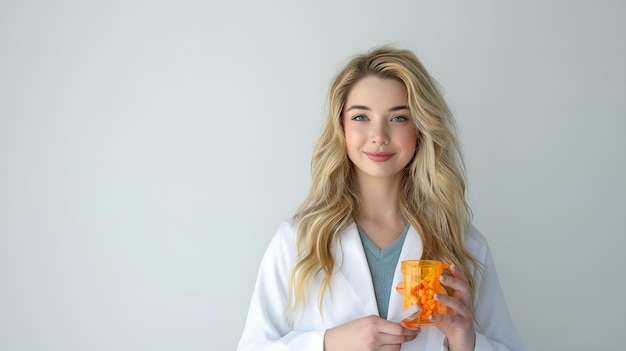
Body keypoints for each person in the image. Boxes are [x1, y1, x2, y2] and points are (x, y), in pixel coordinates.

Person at [237, 46, 523, 351]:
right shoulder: (297, 241)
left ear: (421, 129)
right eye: (361, 116)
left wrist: (466, 343)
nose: (379, 135)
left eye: (398, 118)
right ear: (341, 127)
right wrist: (328, 343)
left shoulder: (465, 245)